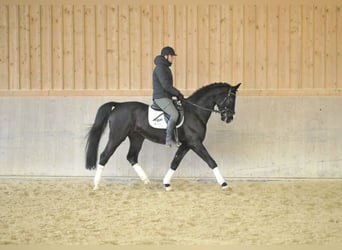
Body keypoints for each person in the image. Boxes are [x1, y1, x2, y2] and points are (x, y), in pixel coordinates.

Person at [152, 46, 184, 147]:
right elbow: (166, 86)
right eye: (172, 56)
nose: (173, 59)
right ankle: (169, 139)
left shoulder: (164, 67)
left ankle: (177, 137)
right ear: (166, 56)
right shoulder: (160, 68)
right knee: (174, 114)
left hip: (166, 96)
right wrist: (177, 93)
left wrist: (176, 94)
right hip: (161, 97)